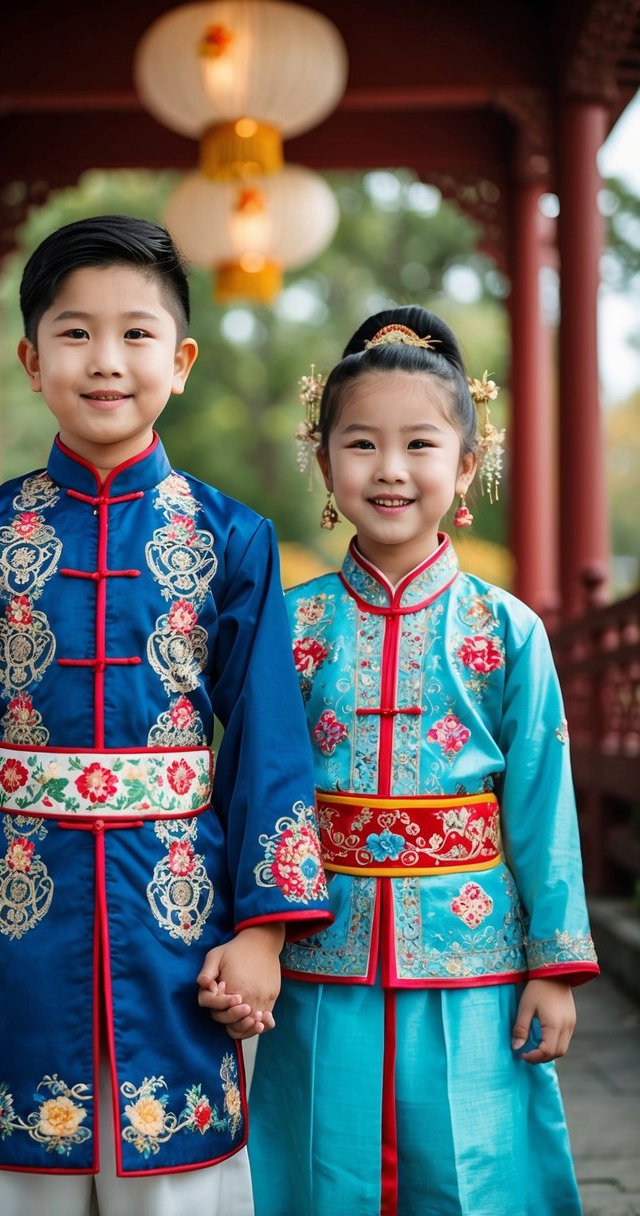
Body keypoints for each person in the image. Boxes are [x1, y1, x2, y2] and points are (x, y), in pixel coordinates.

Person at [0, 214, 331, 1216]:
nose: (106, 360)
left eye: (136, 333)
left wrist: (263, 931)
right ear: (32, 361)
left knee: (174, 1181)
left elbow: (265, 746)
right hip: (13, 915)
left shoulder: (232, 538)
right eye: (75, 333)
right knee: (12, 1172)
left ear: (182, 359)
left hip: (177, 918)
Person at [248, 306, 599, 1216]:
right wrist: (246, 926)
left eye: (420, 444)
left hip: (473, 951)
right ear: (323, 463)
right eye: (360, 444)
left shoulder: (505, 629)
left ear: (467, 466)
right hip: (319, 947)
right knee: (321, 1162)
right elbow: (254, 786)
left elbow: (540, 798)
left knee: (469, 1169)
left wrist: (552, 966)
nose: (391, 470)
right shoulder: (291, 626)